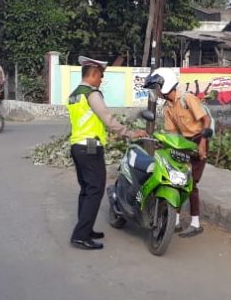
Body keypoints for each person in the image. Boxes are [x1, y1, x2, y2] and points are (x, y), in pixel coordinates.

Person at [67, 56, 146, 250]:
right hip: (90, 146)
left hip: (77, 145)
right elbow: (107, 118)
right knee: (95, 189)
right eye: (100, 76)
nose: (101, 80)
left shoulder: (74, 94)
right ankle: (80, 236)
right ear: (93, 74)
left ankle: (85, 229)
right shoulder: (92, 94)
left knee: (86, 190)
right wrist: (129, 133)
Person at [149, 67, 212, 237]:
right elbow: (171, 133)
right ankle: (174, 221)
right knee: (176, 180)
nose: (156, 91)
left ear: (165, 84)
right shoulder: (168, 107)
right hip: (182, 144)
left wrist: (203, 142)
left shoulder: (187, 98)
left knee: (191, 184)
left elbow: (206, 119)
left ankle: (195, 223)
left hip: (199, 140)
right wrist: (163, 145)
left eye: (156, 86)